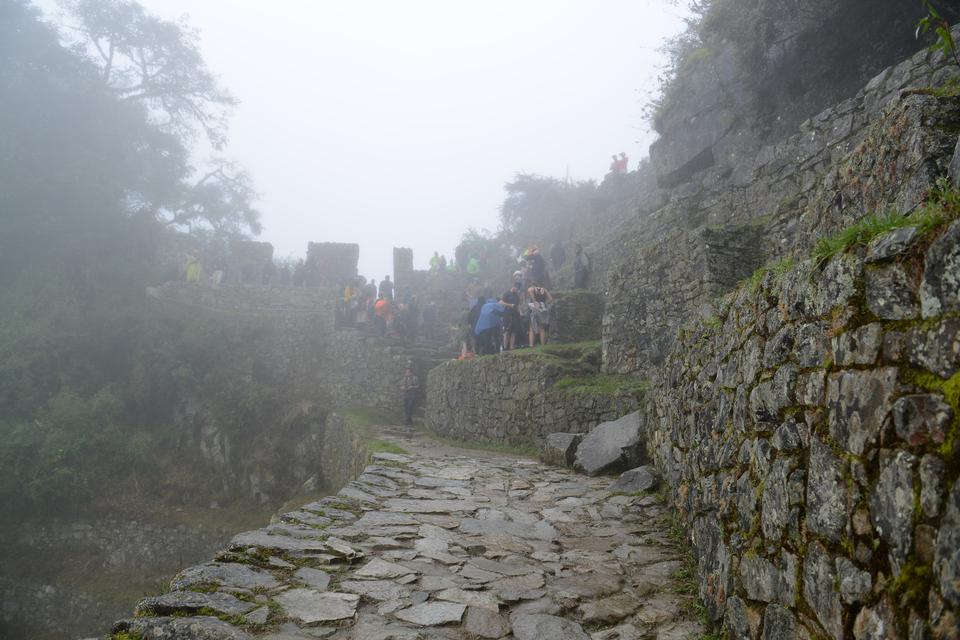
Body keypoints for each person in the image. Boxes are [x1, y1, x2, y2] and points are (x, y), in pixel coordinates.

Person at [400, 363, 420, 427]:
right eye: (406, 372)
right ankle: (410, 421)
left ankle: (406, 421)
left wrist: (412, 387)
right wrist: (403, 388)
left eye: (408, 372)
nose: (406, 373)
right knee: (406, 408)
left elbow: (418, 386)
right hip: (406, 395)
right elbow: (400, 386)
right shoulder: (404, 379)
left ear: (411, 372)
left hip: (412, 395)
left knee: (409, 407)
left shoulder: (415, 378)